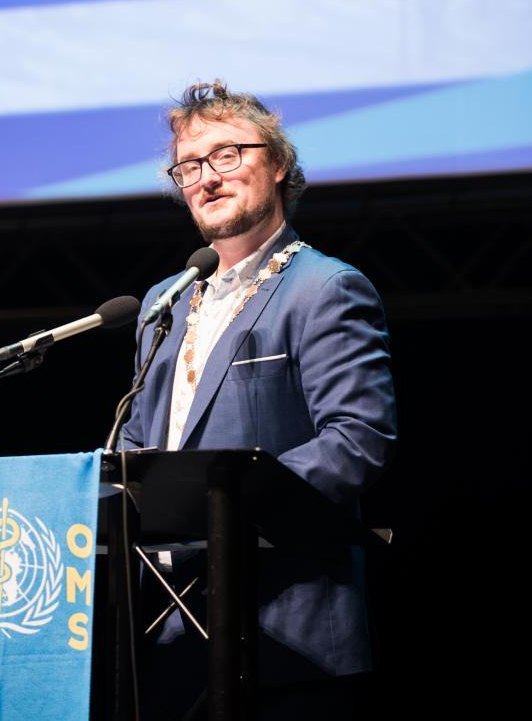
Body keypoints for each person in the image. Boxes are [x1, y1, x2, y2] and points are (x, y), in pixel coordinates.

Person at [121, 80, 397, 720]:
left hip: (287, 633)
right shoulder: (164, 302)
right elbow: (138, 438)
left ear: (276, 164)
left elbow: (356, 440)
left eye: (226, 155)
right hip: (167, 633)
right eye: (189, 166)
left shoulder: (325, 288)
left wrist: (221, 502)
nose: (207, 178)